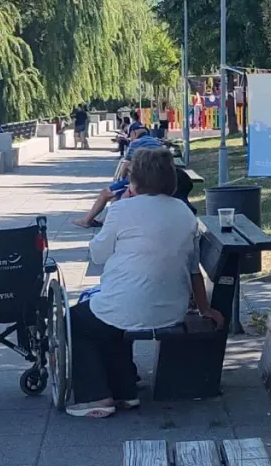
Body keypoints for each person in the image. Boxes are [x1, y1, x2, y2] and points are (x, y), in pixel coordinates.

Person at [66, 147, 225, 418]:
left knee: (77, 322)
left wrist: (121, 207)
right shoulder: (185, 212)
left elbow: (98, 255)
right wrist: (204, 308)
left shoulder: (122, 209)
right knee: (113, 315)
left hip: (127, 306)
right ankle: (124, 390)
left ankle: (96, 396)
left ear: (134, 181)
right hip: (171, 310)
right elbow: (193, 269)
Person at [74, 124, 162, 228]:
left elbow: (126, 164)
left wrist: (121, 178)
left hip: (139, 180)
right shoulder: (157, 142)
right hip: (157, 179)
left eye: (130, 135)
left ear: (134, 133)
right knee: (117, 195)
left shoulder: (136, 143)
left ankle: (86, 221)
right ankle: (106, 220)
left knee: (106, 193)